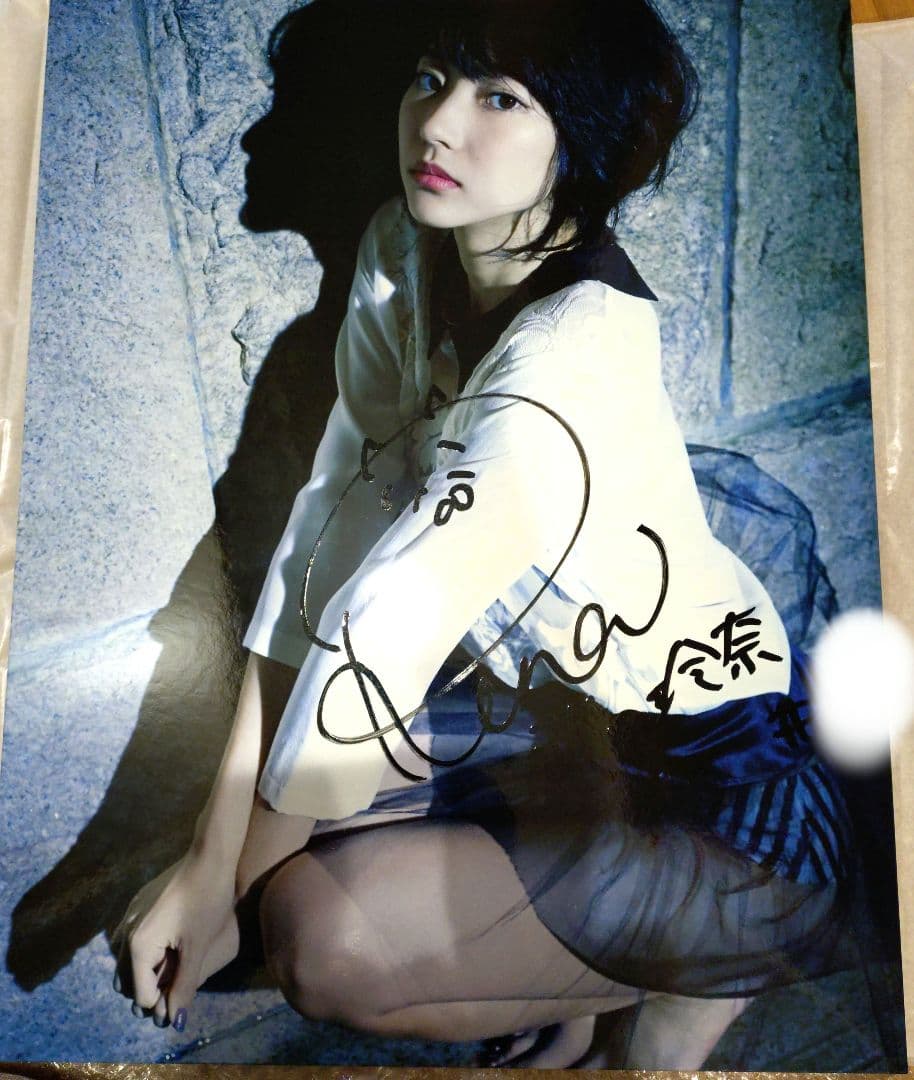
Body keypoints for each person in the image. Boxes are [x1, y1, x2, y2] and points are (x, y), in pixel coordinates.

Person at [113, 0, 856, 1067]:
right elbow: (332, 528)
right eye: (430, 78)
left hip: (708, 788)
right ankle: (572, 975)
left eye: (500, 98)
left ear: (580, 143)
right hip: (555, 716)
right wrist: (207, 855)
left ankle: (684, 980)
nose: (438, 123)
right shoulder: (404, 246)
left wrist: (221, 891)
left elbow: (376, 637)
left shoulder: (565, 360)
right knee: (282, 833)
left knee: (316, 939)